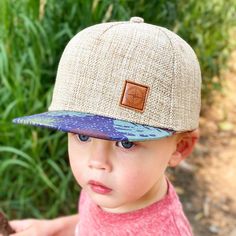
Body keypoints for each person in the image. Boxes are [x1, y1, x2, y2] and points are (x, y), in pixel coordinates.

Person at [10, 16, 201, 235]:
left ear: (180, 147)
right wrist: (53, 229)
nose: (97, 161)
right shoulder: (110, 189)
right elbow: (95, 224)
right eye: (83, 136)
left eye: (126, 143)